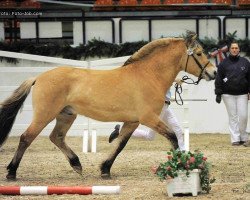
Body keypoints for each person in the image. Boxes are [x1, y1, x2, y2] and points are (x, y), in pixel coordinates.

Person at [109, 85, 185, 151]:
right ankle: (120, 132)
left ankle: (183, 154)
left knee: (178, 130)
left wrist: (170, 97)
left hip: (166, 106)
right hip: (160, 107)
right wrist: (176, 80)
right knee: (150, 136)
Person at [214, 42, 250, 147]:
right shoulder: (223, 63)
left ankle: (243, 137)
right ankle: (235, 139)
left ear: (239, 50)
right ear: (229, 50)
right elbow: (219, 79)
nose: (234, 49)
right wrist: (218, 93)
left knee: (243, 116)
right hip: (227, 94)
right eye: (232, 48)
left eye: (236, 48)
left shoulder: (245, 62)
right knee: (233, 116)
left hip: (242, 94)